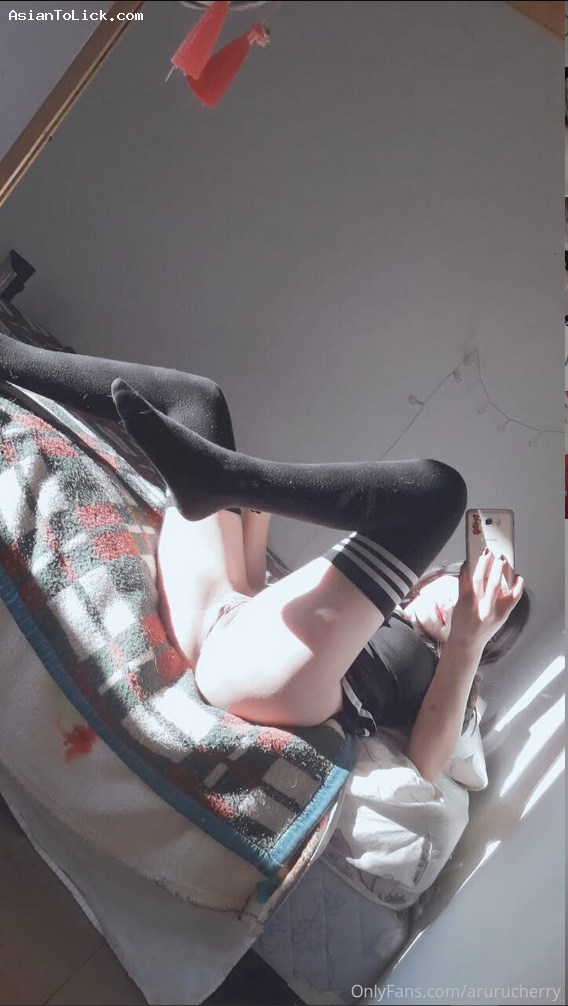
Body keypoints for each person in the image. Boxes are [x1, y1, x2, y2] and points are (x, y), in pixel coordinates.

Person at [0, 335, 528, 781]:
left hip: (256, 680)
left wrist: (468, 639)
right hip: (221, 617)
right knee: (198, 400)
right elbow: (258, 603)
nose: (460, 604)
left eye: (488, 610)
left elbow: (427, 766)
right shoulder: (376, 596)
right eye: (466, 584)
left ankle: (226, 478)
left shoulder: (449, 680)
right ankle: (9, 356)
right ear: (441, 573)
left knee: (442, 493)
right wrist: (258, 526)